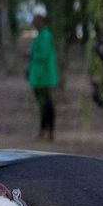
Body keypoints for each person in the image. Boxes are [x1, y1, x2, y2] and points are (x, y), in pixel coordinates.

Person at [27, 9, 59, 141]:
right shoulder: (41, 35)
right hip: (39, 77)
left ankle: (48, 130)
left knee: (47, 105)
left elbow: (44, 55)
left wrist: (31, 55)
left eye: (35, 21)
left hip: (44, 77)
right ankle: (44, 130)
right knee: (43, 105)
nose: (33, 23)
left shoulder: (45, 36)